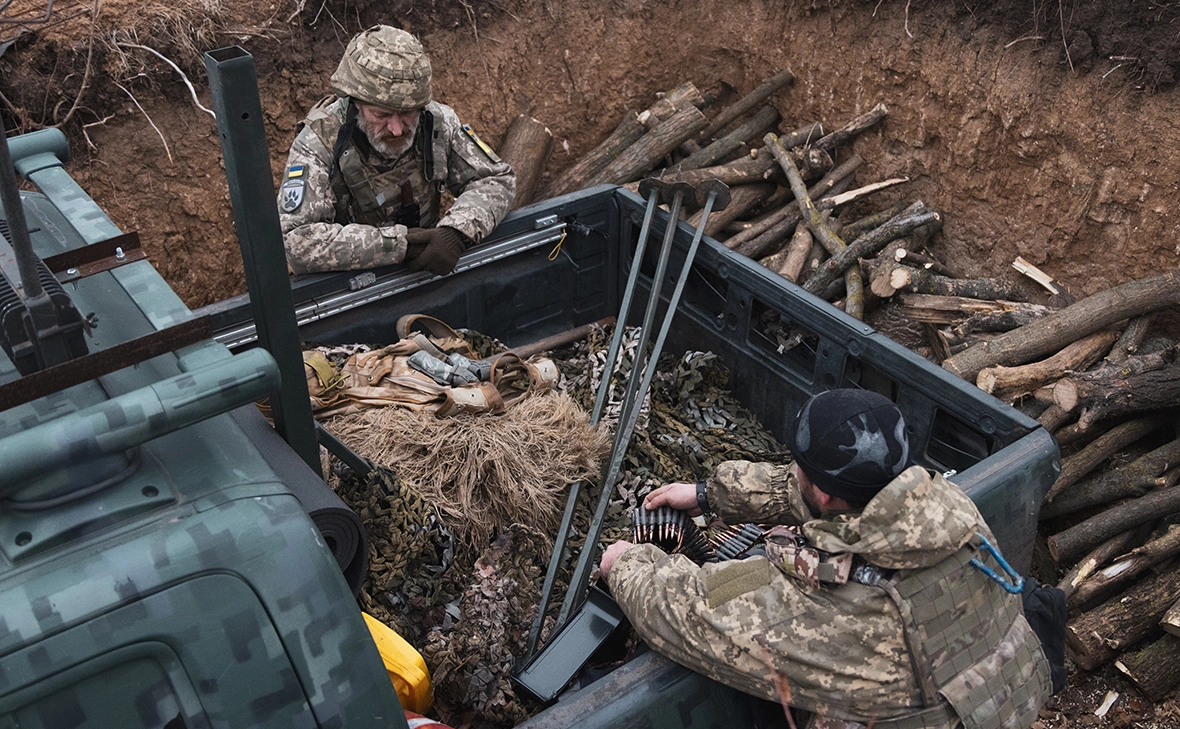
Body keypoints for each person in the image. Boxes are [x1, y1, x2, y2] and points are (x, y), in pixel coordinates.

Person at [599, 389, 1052, 729]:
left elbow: (683, 612)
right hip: (1000, 700)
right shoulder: (943, 506)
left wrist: (625, 563)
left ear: (825, 493)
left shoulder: (837, 607)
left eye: (800, 469)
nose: (796, 476)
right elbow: (826, 500)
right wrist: (709, 494)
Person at [277, 25, 515, 276]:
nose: (397, 129)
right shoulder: (319, 141)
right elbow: (297, 241)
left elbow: (495, 179)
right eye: (381, 114)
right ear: (355, 103)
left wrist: (456, 232)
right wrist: (401, 246)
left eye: (406, 113)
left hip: (427, 270)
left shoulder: (438, 122)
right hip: (347, 285)